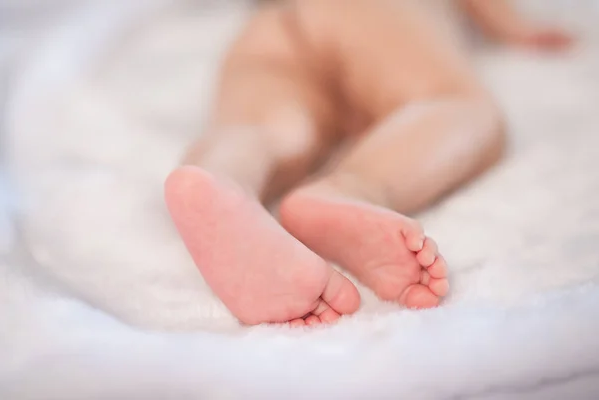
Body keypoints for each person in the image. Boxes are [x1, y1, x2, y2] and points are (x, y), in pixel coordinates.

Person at [164, 0, 573, 326]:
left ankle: (221, 178)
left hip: (269, 27)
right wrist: (513, 23)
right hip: (370, 11)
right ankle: (348, 189)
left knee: (265, 131)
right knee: (455, 103)